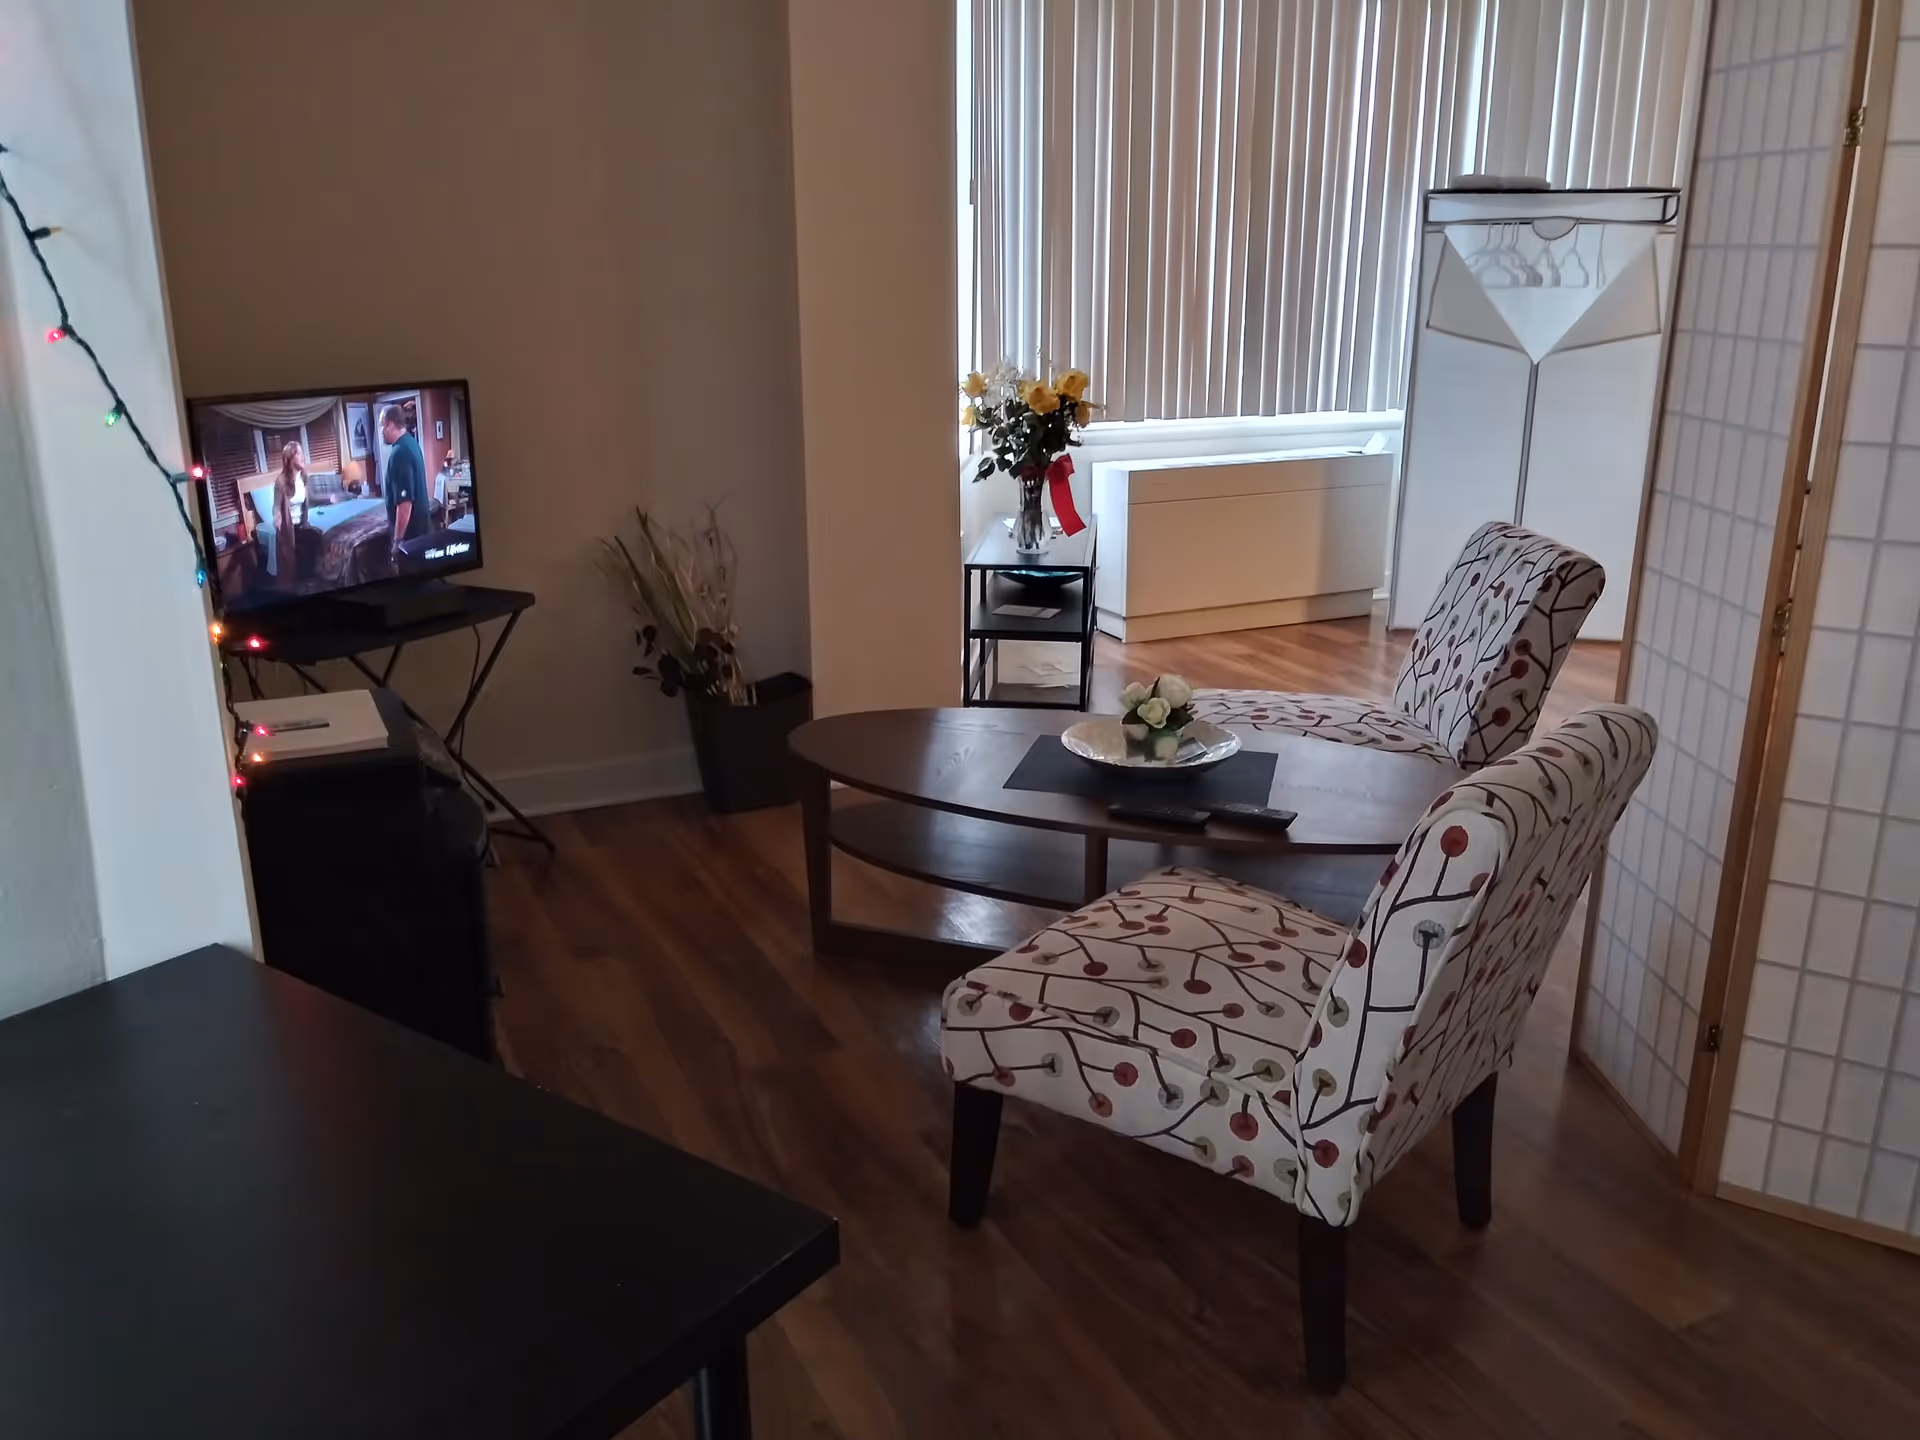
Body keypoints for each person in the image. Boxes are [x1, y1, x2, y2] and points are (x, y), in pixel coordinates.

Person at [379, 404, 430, 559]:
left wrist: (397, 542)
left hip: (411, 538)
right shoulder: (411, 443)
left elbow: (405, 503)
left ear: (388, 424)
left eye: (382, 426)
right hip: (422, 531)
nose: (381, 431)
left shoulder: (399, 453)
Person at [268, 440, 308, 585]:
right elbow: (276, 506)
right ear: (290, 458)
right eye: (298, 453)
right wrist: (276, 517)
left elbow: (308, 499)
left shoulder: (303, 476)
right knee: (291, 571)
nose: (302, 456)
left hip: (302, 526)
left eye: (301, 452)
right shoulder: (281, 481)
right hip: (288, 529)